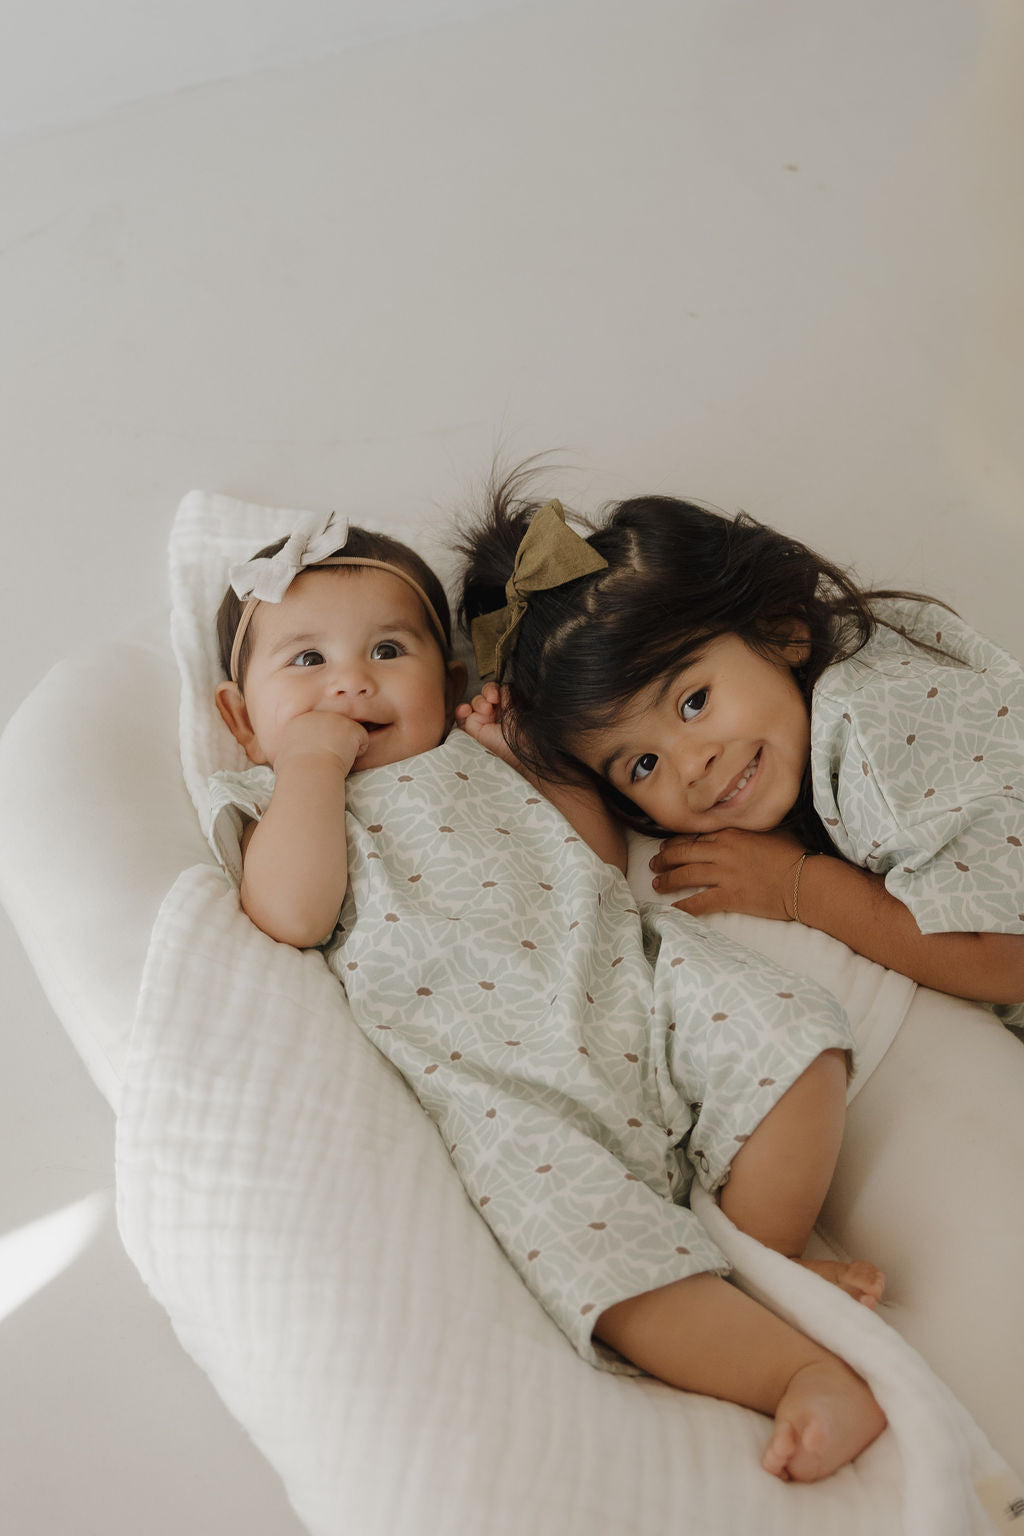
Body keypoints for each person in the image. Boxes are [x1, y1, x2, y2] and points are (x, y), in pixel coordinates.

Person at [210, 509, 885, 1483]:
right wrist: (310, 766)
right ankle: (796, 1370)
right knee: (582, 1243)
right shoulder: (282, 808)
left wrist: (531, 767)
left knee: (795, 1034)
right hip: (502, 1084)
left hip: (626, 982)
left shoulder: (476, 757)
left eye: (386, 650)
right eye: (305, 662)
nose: (350, 681)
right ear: (240, 720)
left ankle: (762, 1259)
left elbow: (590, 864)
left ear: (445, 683)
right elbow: (291, 914)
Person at [455, 467, 1024, 1026]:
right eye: (644, 764)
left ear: (781, 627)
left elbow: (1008, 958)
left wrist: (799, 887)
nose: (691, 765)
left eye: (693, 702)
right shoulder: (805, 713)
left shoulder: (877, 725)